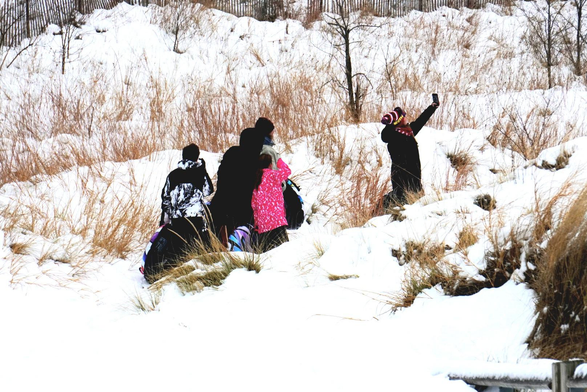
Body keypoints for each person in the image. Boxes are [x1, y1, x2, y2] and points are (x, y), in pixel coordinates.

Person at [208, 128, 264, 245]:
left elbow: (221, 178)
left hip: (220, 206)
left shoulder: (231, 153)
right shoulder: (254, 161)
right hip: (242, 212)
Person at [380, 100, 439, 207]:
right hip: (404, 178)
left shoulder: (405, 132)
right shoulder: (396, 140)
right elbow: (401, 162)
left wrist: (432, 107)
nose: (406, 118)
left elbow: (419, 122)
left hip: (414, 176)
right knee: (404, 202)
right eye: (403, 117)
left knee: (410, 202)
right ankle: (381, 210)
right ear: (399, 122)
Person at [160, 143, 214, 251]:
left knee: (178, 251)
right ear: (197, 157)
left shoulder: (172, 175)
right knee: (196, 251)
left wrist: (171, 214)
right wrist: (203, 169)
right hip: (196, 220)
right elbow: (208, 191)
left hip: (177, 220)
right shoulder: (200, 173)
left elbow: (165, 198)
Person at [251, 154, 291, 252]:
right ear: (270, 164)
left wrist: (256, 223)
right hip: (276, 220)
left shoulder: (257, 179)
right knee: (284, 250)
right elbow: (287, 171)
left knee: (267, 253)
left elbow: (254, 205)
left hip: (263, 223)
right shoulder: (274, 175)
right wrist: (280, 162)